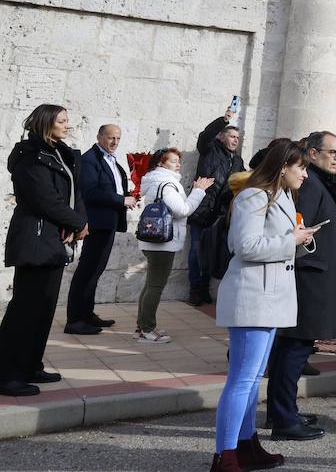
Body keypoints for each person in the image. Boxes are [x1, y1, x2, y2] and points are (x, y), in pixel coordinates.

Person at [209, 138, 315, 471]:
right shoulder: (254, 196)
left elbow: (272, 245)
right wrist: (291, 240)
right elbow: (246, 246)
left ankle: (245, 444)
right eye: (301, 168)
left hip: (268, 297)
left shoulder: (280, 194)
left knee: (253, 378)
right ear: (283, 166)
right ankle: (224, 454)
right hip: (253, 295)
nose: (305, 175)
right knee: (242, 378)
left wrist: (299, 240)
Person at [265, 130, 336, 440]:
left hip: (318, 276)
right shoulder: (309, 184)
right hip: (308, 277)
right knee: (294, 347)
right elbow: (299, 225)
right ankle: (283, 419)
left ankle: (283, 411)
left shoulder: (324, 183)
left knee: (294, 348)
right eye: (333, 153)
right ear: (313, 153)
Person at [0, 104, 88, 398]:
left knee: (45, 306)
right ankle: (7, 374)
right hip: (36, 238)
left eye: (67, 120)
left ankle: (30, 365)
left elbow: (73, 192)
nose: (67, 125)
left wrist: (78, 222)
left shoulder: (59, 153)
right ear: (46, 122)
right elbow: (44, 199)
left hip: (53, 238)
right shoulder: (30, 157)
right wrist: (78, 223)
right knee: (25, 308)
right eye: (62, 120)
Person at [133, 148, 213, 344]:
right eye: (173, 161)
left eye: (179, 161)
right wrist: (199, 191)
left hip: (154, 241)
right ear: (161, 164)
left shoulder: (157, 181)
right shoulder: (166, 184)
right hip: (162, 244)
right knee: (155, 287)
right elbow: (183, 210)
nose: (178, 165)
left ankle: (142, 326)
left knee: (150, 285)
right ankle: (146, 330)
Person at [65, 123, 135, 334]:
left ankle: (87, 314)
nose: (114, 142)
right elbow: (90, 192)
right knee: (87, 270)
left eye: (118, 138)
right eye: (110, 137)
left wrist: (128, 196)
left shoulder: (110, 159)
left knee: (95, 270)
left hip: (108, 223)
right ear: (99, 137)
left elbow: (112, 186)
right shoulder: (90, 159)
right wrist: (121, 200)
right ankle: (75, 320)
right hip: (96, 223)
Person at [188, 109, 246, 306]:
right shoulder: (210, 149)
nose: (236, 140)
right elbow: (205, 136)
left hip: (220, 213)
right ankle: (195, 289)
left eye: (238, 137)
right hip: (202, 208)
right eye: (232, 136)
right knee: (196, 250)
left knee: (210, 251)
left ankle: (205, 287)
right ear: (221, 137)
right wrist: (224, 120)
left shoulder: (238, 160)